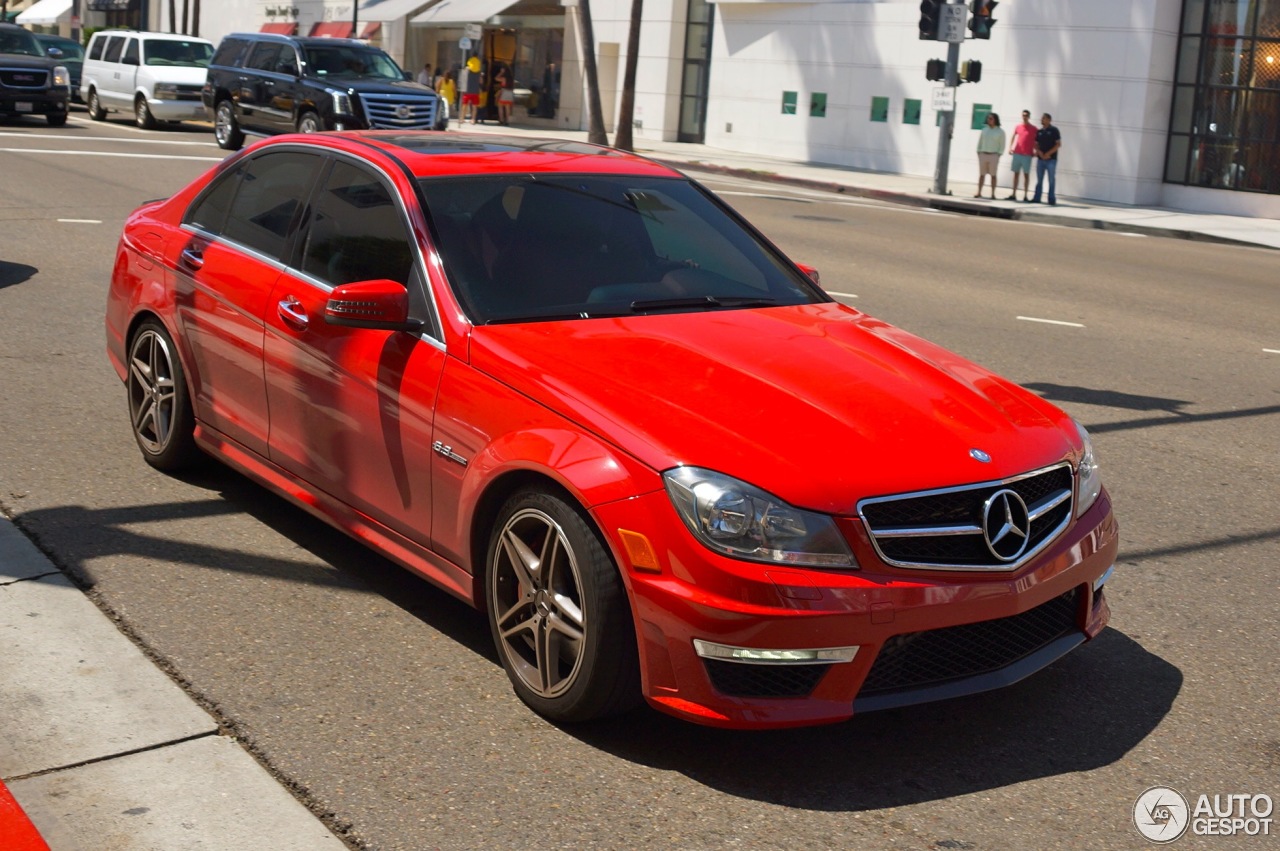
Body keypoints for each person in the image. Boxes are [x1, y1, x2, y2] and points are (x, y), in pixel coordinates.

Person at [1031, 112, 1062, 205]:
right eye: (1042, 118)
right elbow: (1035, 144)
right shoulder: (1039, 132)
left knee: (1051, 179)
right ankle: (1037, 198)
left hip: (1051, 160)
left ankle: (1051, 199)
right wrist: (1040, 153)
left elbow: (1058, 144)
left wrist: (1048, 153)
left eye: (1044, 118)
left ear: (1049, 120)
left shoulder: (1054, 130)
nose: (1042, 120)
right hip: (1041, 160)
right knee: (1039, 179)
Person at [1006, 110, 1036, 201]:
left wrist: (1036, 151)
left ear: (1029, 116)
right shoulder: (1018, 127)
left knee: (1026, 175)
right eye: (1023, 115)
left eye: (1026, 115)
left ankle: (1025, 195)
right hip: (1017, 154)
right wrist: (1010, 147)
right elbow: (1013, 136)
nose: (1025, 117)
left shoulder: (1034, 128)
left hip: (1027, 155)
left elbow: (1037, 141)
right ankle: (1013, 194)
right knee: (1016, 174)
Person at [974, 112, 1005, 200]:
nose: (989, 120)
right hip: (983, 154)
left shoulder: (1000, 132)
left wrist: (999, 154)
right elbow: (980, 142)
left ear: (995, 120)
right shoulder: (984, 130)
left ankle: (993, 194)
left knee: (993, 175)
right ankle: (979, 192)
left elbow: (1002, 145)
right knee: (981, 175)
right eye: (988, 118)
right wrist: (979, 152)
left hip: (993, 155)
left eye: (991, 118)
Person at [460, 55, 482, 124]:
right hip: (475, 90)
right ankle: (473, 119)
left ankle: (462, 119)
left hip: (467, 90)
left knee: (464, 105)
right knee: (474, 106)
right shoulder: (479, 70)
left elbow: (463, 79)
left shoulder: (467, 69)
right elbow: (481, 81)